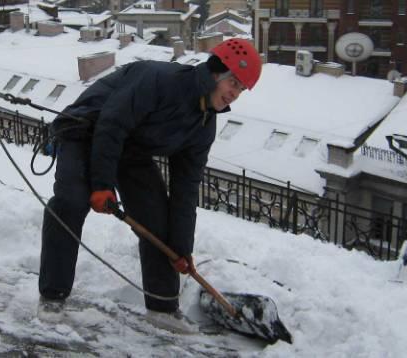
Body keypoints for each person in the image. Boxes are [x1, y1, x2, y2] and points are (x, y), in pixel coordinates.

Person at [38, 38, 262, 331]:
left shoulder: (204, 126)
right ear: (214, 73)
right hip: (85, 130)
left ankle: (163, 308)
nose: (235, 93)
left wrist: (182, 249)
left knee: (157, 219)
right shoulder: (161, 80)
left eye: (241, 89)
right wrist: (103, 184)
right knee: (71, 201)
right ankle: (52, 297)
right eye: (233, 82)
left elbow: (186, 188)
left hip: (131, 149)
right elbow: (112, 124)